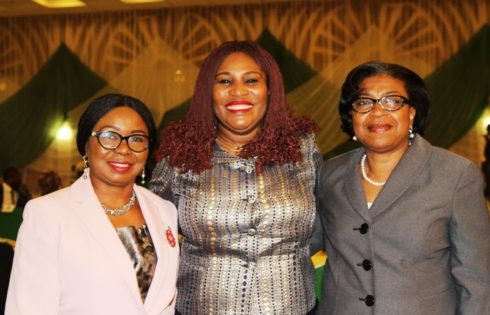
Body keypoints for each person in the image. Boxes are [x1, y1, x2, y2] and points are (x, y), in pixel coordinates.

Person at [150, 40, 321, 315]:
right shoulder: (180, 155)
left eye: (251, 80)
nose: (238, 92)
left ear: (270, 90)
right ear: (209, 92)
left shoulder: (302, 148)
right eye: (224, 81)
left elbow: (325, 224)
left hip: (294, 306)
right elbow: (154, 236)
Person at [316, 61, 490, 314]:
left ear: (411, 113)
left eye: (392, 101)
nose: (377, 112)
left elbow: (476, 279)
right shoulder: (329, 174)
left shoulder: (456, 175)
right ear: (351, 115)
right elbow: (298, 243)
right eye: (364, 102)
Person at [6, 94, 179, 314]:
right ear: (86, 145)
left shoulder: (164, 211)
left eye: (137, 138)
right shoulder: (47, 213)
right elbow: (28, 307)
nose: (123, 149)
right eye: (109, 136)